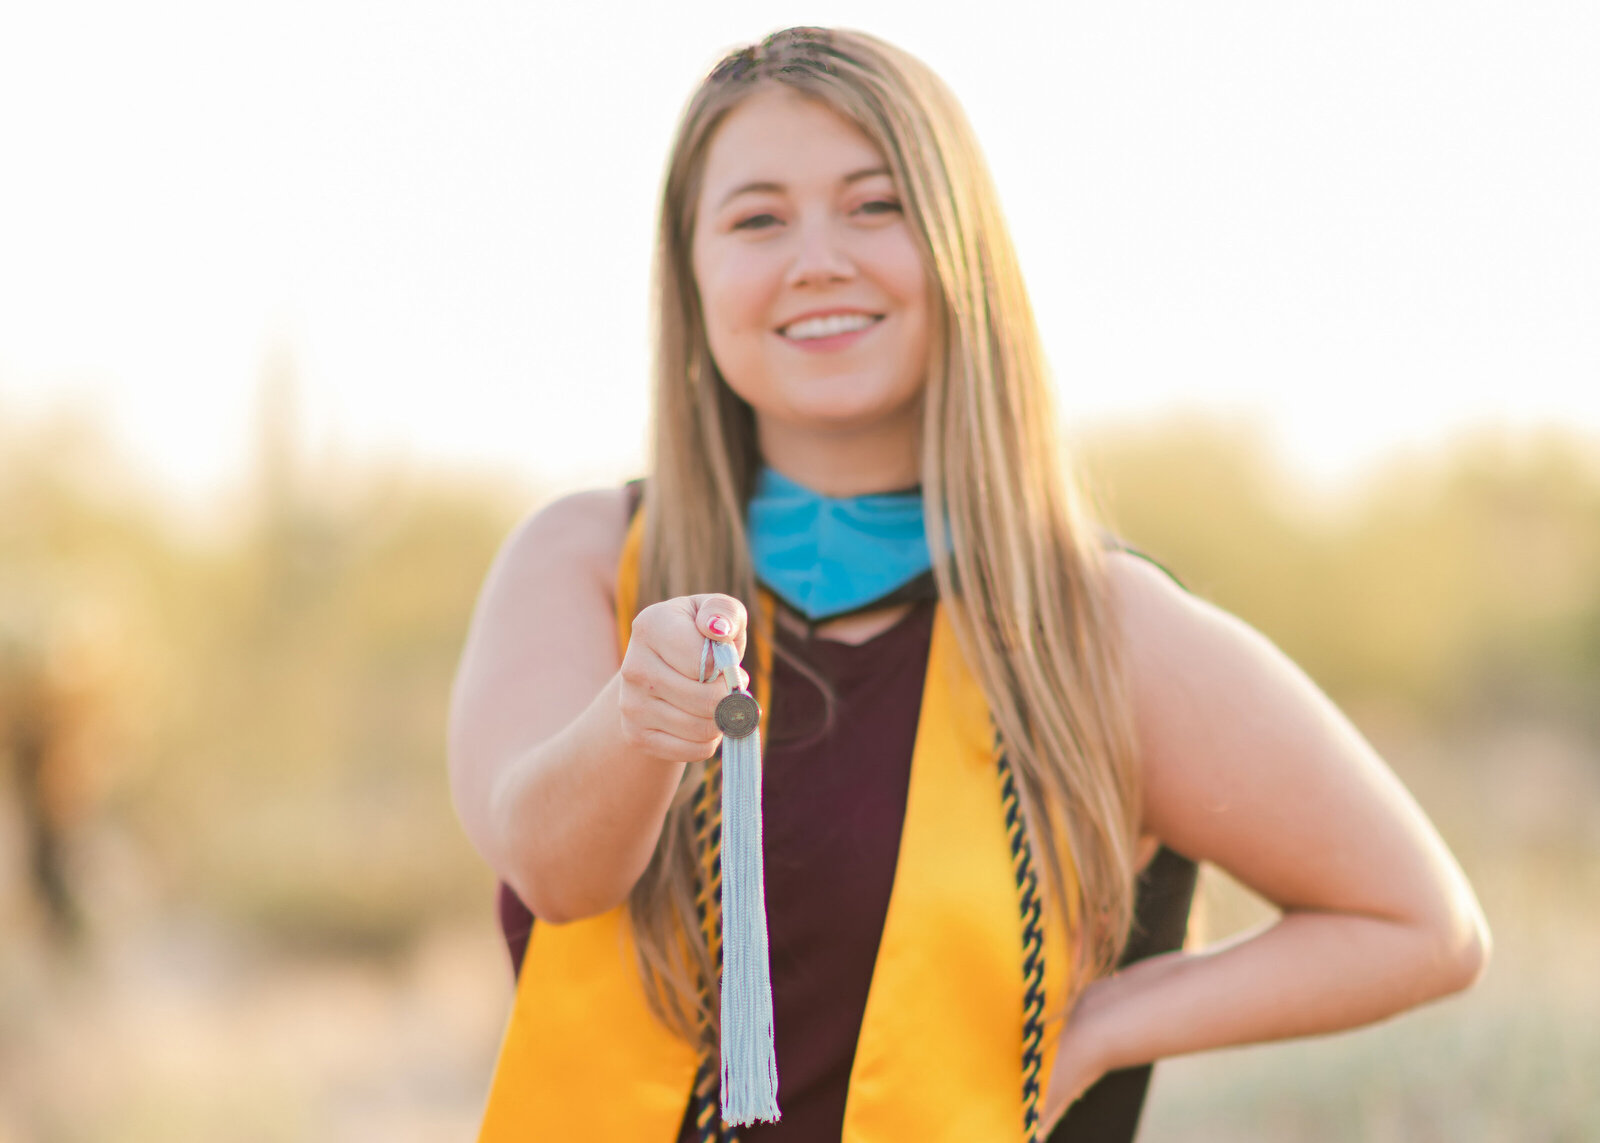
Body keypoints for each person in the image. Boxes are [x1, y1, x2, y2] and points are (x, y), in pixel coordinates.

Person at [447, 26, 1490, 1142]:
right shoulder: (587, 563)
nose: (817, 259)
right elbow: (559, 873)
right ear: (691, 274)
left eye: (876, 205)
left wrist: (1110, 1020)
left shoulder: (1089, 625)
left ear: (959, 249)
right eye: (756, 219)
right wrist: (639, 720)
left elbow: (1417, 924)